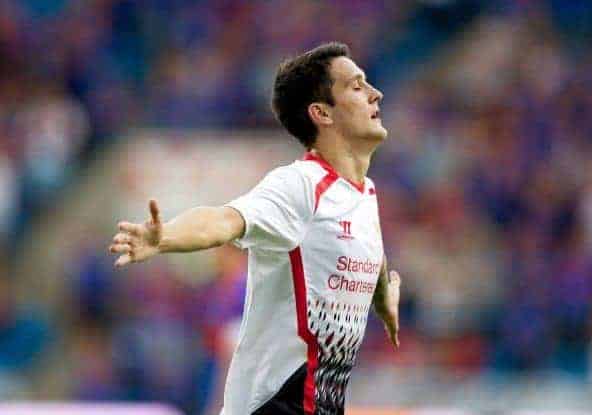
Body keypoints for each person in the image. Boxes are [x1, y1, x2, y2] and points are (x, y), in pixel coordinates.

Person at [109, 42, 401, 415]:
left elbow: (364, 250)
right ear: (322, 113)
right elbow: (225, 220)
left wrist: (382, 300)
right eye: (356, 86)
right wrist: (166, 237)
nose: (375, 93)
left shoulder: (364, 194)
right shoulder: (300, 186)